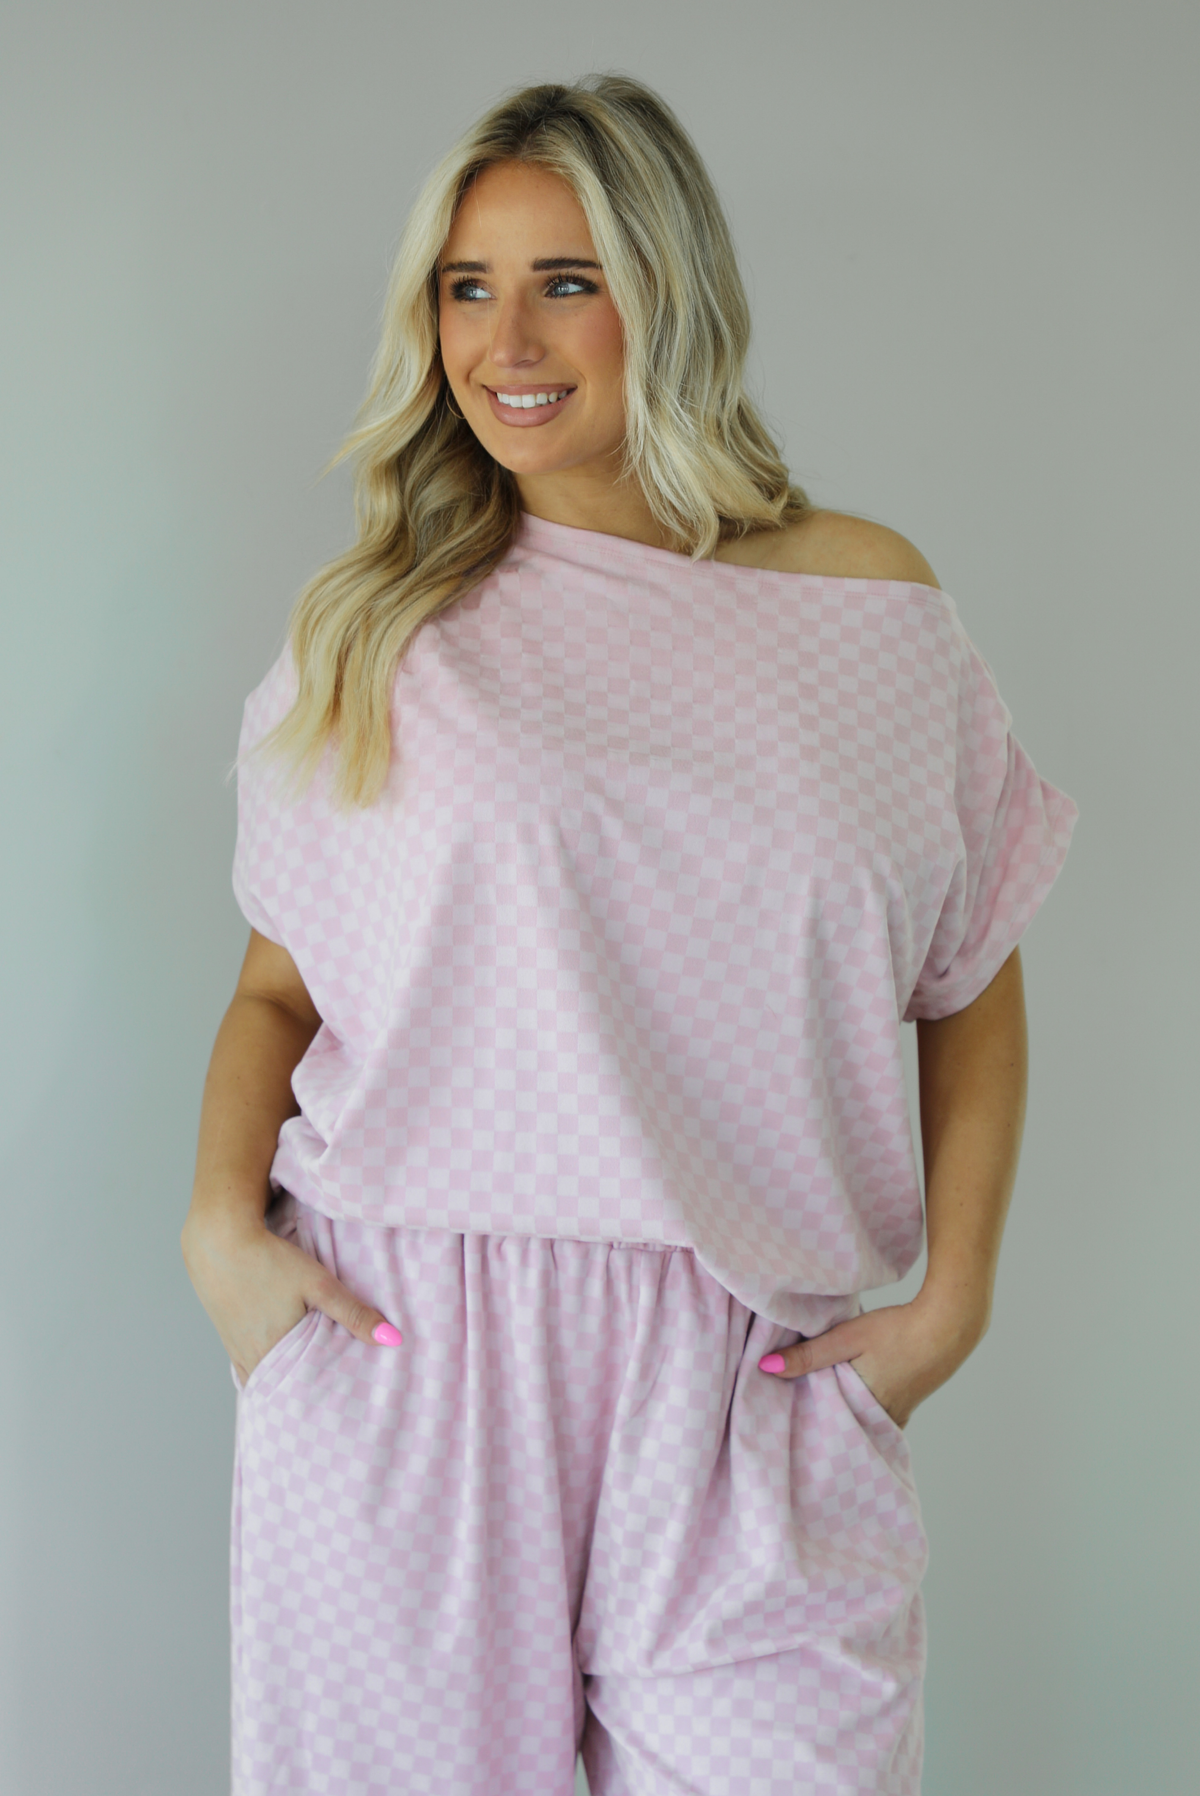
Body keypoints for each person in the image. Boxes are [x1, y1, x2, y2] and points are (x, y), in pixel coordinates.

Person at [182, 72, 1076, 1796]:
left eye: (567, 280)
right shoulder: (383, 627)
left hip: (753, 1373)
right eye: (466, 285)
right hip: (414, 1354)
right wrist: (224, 1236)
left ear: (666, 294)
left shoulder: (872, 609)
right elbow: (276, 987)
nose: (505, 336)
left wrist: (954, 1295)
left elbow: (971, 965)